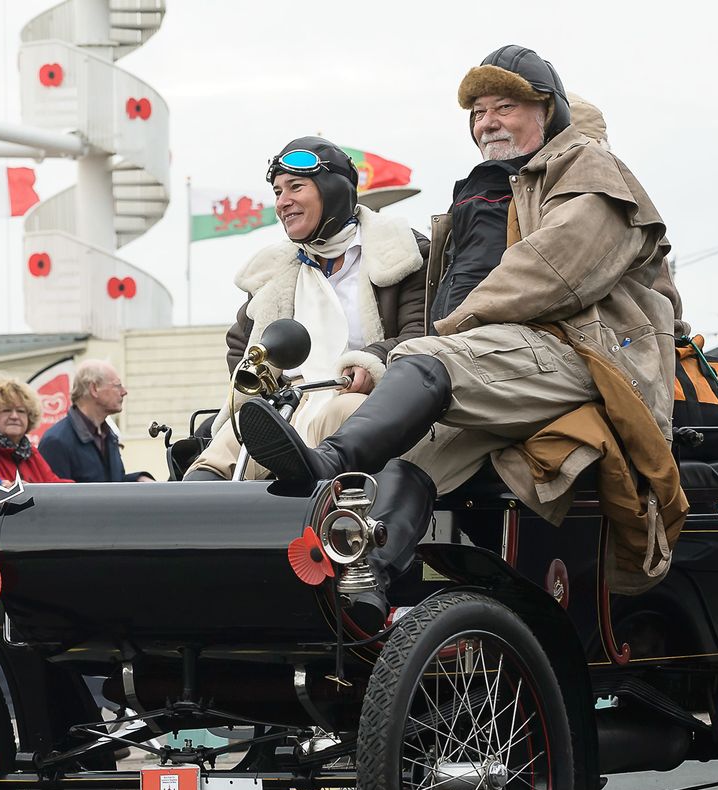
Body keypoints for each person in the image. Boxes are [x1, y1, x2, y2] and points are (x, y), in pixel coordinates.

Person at [237, 45, 688, 630]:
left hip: (592, 357)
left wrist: (441, 340)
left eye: (504, 107)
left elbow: (551, 272)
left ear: (548, 110)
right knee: (412, 453)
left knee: (426, 358)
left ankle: (326, 461)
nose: (487, 122)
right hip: (528, 358)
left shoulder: (590, 168)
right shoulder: (514, 185)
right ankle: (370, 586)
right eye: (478, 112)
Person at [183, 136, 428, 480]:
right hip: (289, 405)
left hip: (364, 402)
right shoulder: (272, 272)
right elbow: (241, 348)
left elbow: (423, 335)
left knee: (344, 412)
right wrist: (270, 388)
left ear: (333, 190)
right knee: (219, 453)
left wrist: (371, 362)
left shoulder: (402, 251)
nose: (282, 202)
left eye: (295, 187)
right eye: (277, 192)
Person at [38, 360, 153, 483]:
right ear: (94, 389)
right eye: (117, 385)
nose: (124, 392)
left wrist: (138, 479)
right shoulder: (56, 442)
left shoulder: (107, 435)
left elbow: (110, 484)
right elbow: (56, 494)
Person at [0, 376, 69, 483]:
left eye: (21, 411)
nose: (14, 416)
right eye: (6, 410)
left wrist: (81, 487)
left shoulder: (29, 451)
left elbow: (53, 483)